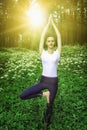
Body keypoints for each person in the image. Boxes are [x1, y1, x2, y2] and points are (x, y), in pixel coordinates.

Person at [20, 15, 61, 124]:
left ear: (54, 43)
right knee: (23, 96)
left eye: (52, 41)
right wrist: (48, 24)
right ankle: (44, 94)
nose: (51, 42)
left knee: (48, 112)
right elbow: (42, 36)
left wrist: (54, 24)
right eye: (49, 41)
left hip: (53, 83)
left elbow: (59, 36)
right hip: (43, 82)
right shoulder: (42, 53)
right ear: (46, 43)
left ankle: (45, 122)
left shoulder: (57, 53)